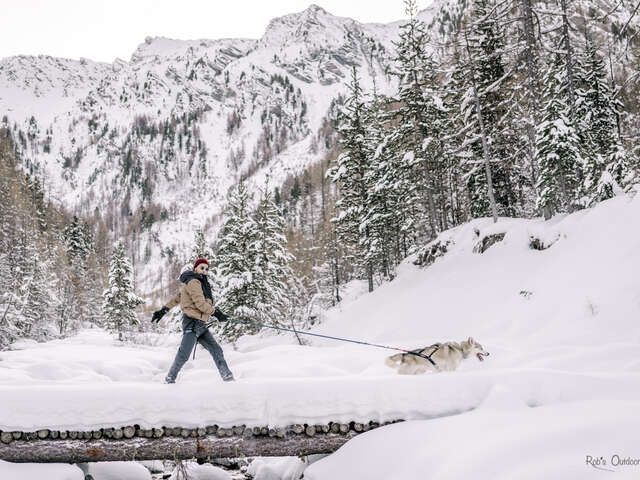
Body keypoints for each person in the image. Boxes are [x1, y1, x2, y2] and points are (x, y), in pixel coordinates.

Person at [151, 257, 234, 384]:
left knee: (216, 350)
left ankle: (228, 378)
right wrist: (216, 313)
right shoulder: (194, 281)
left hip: (201, 325)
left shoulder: (198, 282)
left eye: (206, 269)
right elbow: (200, 304)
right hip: (192, 323)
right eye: (202, 268)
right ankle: (169, 379)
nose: (204, 271)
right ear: (196, 268)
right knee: (184, 355)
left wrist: (163, 310)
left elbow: (178, 298)